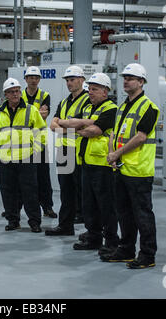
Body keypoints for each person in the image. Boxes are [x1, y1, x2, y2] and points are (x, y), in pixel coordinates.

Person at [101, 63, 160, 269]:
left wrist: (116, 153)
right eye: (125, 77)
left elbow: (141, 137)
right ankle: (126, 249)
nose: (126, 81)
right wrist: (111, 152)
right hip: (121, 168)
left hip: (139, 171)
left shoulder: (149, 108)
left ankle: (147, 255)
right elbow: (115, 134)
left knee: (142, 215)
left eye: (131, 78)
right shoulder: (123, 106)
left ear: (141, 82)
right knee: (123, 213)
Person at [59, 73, 120, 253]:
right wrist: (81, 125)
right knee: (88, 204)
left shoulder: (111, 109)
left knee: (106, 205)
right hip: (85, 162)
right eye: (90, 89)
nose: (90, 93)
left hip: (103, 164)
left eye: (94, 90)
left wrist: (79, 128)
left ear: (105, 91)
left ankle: (111, 241)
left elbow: (95, 131)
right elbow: (66, 123)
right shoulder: (88, 109)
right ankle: (93, 237)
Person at [0, 78, 47, 233]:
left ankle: (34, 222)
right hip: (5, 159)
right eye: (11, 92)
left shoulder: (31, 110)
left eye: (17, 91)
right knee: (8, 192)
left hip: (26, 158)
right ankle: (13, 220)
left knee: (30, 192)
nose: (15, 94)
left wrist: (36, 150)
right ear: (5, 95)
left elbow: (41, 131)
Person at [45, 65, 89, 236]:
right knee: (66, 191)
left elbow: (84, 124)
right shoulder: (64, 102)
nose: (69, 83)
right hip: (64, 152)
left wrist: (65, 123)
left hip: (79, 152)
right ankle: (65, 226)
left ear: (81, 80)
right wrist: (69, 125)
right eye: (68, 80)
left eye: (72, 80)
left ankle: (90, 230)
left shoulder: (87, 100)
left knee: (84, 192)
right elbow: (53, 125)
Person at [22, 66, 57, 219]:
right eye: (31, 77)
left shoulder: (45, 95)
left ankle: (47, 207)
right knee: (24, 177)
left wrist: (28, 115)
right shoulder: (19, 94)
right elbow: (38, 114)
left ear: (39, 80)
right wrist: (36, 113)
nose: (33, 80)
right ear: (26, 79)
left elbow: (44, 115)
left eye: (36, 78)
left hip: (40, 141)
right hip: (22, 142)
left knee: (43, 175)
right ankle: (17, 207)